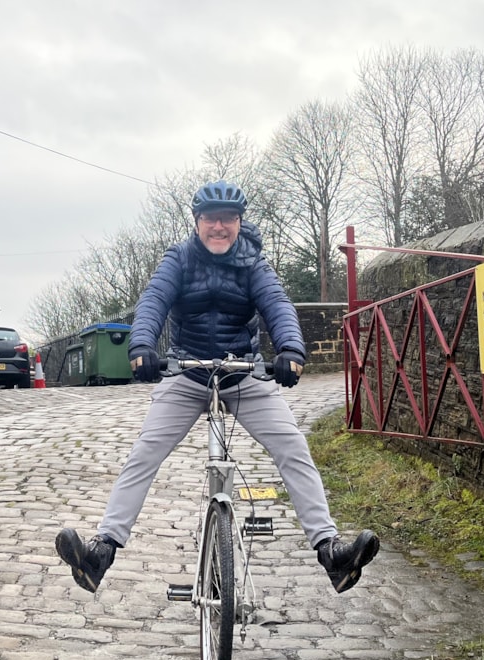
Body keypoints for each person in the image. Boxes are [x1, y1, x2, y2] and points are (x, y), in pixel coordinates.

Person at [56, 181, 379, 596]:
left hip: (241, 372)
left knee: (292, 446)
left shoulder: (254, 263)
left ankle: (330, 551)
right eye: (211, 218)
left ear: (239, 222)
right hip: (186, 372)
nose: (219, 226)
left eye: (228, 218)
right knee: (144, 452)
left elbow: (277, 305)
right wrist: (141, 346)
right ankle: (101, 552)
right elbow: (154, 299)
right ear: (197, 222)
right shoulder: (179, 258)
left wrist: (291, 349)